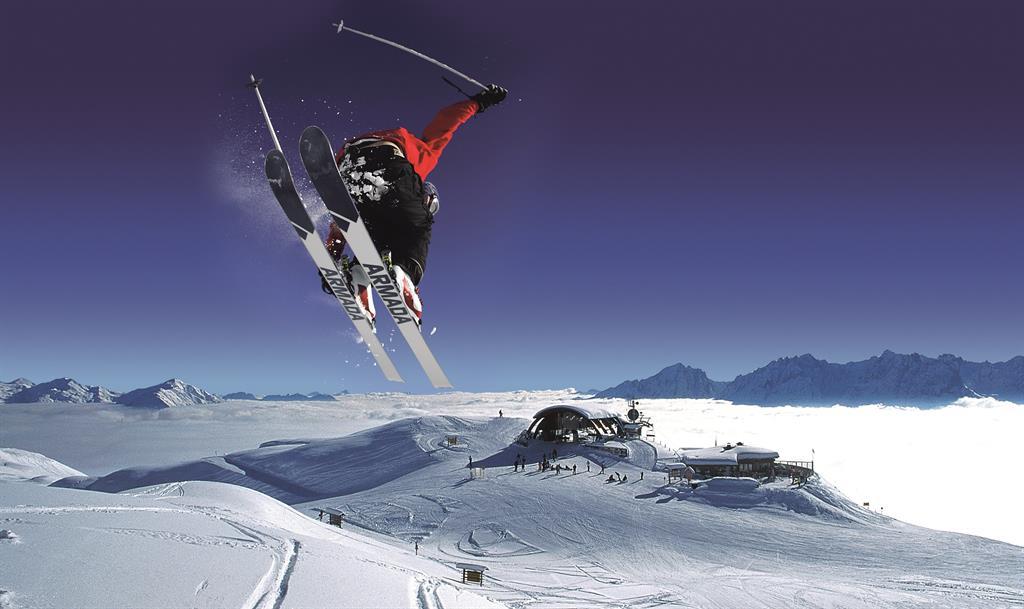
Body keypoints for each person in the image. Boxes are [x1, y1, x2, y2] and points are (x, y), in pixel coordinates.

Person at [324, 84, 509, 323]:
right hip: (387, 160)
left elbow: (344, 221)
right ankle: (405, 275)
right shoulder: (423, 157)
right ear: (427, 195)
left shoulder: (394, 200)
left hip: (347, 168)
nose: (428, 205)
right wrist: (479, 102)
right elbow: (447, 121)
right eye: (430, 203)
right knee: (419, 226)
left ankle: (359, 277)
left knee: (377, 236)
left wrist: (331, 257)